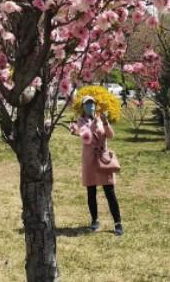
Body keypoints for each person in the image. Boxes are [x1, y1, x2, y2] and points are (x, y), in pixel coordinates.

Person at [71, 95, 124, 236]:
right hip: (89, 159)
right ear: (83, 107)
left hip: (103, 159)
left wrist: (105, 123)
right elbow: (86, 137)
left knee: (110, 191)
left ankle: (118, 222)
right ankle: (95, 220)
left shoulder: (101, 119)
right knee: (91, 192)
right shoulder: (80, 121)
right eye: (87, 104)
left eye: (92, 103)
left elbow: (110, 135)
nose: (90, 106)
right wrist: (94, 123)